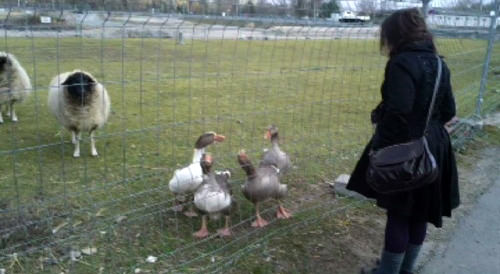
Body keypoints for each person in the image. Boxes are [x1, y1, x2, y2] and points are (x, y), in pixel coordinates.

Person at [346, 8, 459, 274]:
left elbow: (399, 111)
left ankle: (388, 272)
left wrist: (379, 149)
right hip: (434, 148)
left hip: (406, 149)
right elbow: (449, 111)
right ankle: (406, 270)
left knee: (399, 214)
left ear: (395, 34)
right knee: (419, 213)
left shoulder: (402, 62)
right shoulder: (440, 63)